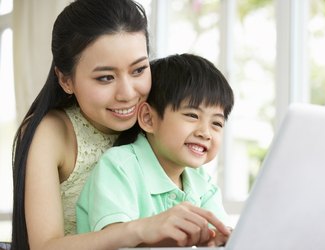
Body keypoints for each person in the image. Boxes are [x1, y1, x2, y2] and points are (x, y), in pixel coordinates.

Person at [11, 0, 150, 249]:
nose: (127, 93)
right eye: (105, 77)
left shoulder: (155, 118)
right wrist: (137, 231)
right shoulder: (53, 132)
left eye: (138, 70)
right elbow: (44, 246)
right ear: (66, 81)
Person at [76, 53, 235, 247]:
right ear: (149, 119)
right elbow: (115, 242)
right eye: (192, 115)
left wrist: (223, 239)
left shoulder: (202, 182)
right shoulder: (120, 166)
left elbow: (219, 235)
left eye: (216, 123)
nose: (205, 132)